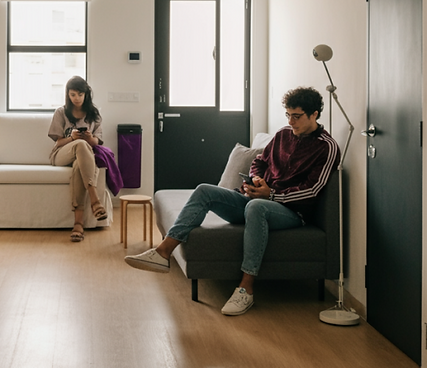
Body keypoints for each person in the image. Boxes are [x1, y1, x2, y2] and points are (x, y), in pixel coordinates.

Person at [125, 86, 340, 316]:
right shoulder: (283, 135)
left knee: (257, 207)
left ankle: (246, 289)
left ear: (314, 114)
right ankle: (163, 252)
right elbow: (260, 161)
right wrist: (256, 179)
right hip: (257, 198)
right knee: (204, 190)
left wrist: (271, 195)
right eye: (288, 115)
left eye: (296, 116)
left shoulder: (326, 147)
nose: (291, 121)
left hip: (290, 212)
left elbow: (312, 190)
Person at [48, 76, 108, 242]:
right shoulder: (61, 112)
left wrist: (89, 138)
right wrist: (73, 138)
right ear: (67, 95)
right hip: (61, 154)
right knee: (80, 144)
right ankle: (95, 199)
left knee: (78, 166)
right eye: (73, 95)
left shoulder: (94, 114)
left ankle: (78, 225)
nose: (76, 98)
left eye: (80, 95)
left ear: (86, 94)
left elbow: (97, 142)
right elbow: (58, 142)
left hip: (83, 157)